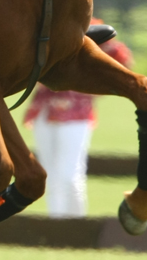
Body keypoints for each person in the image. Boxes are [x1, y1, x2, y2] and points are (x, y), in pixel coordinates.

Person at [24, 24, 133, 217]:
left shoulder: (91, 32)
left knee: (69, 173)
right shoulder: (48, 29)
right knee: (49, 173)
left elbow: (121, 60)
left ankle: (74, 224)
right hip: (45, 110)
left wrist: (99, 87)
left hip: (76, 113)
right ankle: (58, 223)